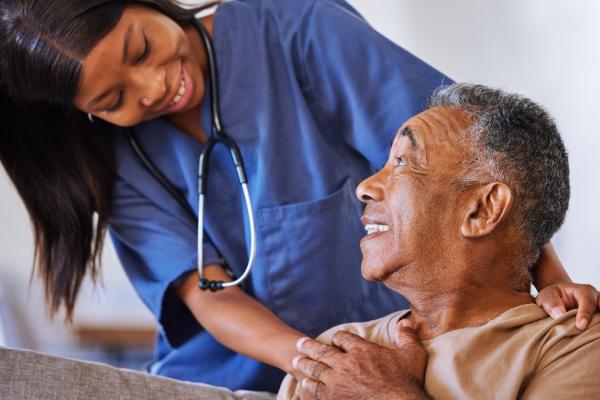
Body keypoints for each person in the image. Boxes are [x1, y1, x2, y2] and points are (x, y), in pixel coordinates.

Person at [0, 0, 597, 393]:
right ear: (84, 115)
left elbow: (465, 160)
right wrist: (324, 367)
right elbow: (206, 296)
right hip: (254, 375)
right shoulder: (117, 156)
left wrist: (549, 287)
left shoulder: (295, 27)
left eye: (140, 49)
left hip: (387, 358)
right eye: (112, 101)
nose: (155, 87)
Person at [284, 84, 600, 400]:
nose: (364, 188)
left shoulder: (577, 345)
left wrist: (383, 394)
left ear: (482, 210)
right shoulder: (337, 353)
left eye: (402, 163)